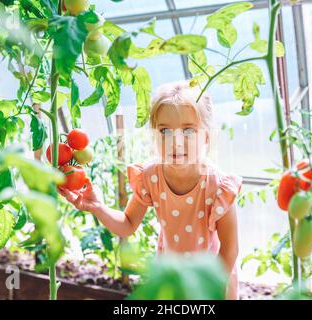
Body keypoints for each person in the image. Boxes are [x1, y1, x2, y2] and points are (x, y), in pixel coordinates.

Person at [59, 81, 242, 299]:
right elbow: (127, 225)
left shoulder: (217, 186)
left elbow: (230, 250)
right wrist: (97, 207)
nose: (176, 142)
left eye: (188, 130)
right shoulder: (151, 176)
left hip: (212, 281)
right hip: (169, 278)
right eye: (165, 130)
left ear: (207, 136)